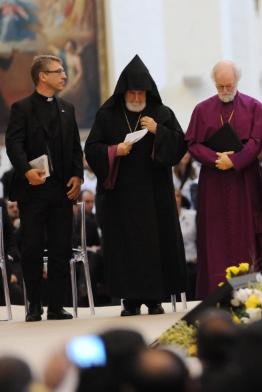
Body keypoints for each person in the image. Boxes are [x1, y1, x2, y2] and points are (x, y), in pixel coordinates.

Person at [85, 55, 187, 316]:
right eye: (132, 92)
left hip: (155, 195)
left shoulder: (161, 114)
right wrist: (114, 150)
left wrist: (158, 131)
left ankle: (155, 300)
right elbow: (92, 148)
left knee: (155, 245)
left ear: (148, 91)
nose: (136, 97)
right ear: (123, 92)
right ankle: (129, 300)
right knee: (124, 248)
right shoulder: (107, 115)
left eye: (141, 92)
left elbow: (180, 145)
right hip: (121, 196)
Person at [5, 54, 83, 322]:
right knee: (33, 247)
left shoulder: (67, 108)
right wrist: (27, 171)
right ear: (42, 76)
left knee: (62, 248)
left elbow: (75, 145)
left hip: (62, 189)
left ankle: (56, 306)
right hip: (34, 189)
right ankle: (34, 305)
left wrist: (78, 176)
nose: (64, 75)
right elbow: (13, 144)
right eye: (58, 71)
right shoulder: (22, 108)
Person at [186, 60, 262, 297]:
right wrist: (216, 158)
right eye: (220, 86)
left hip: (244, 180)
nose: (224, 90)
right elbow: (192, 143)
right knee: (216, 237)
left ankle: (251, 291)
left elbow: (257, 142)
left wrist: (234, 161)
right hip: (213, 182)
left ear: (237, 82)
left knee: (246, 234)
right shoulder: (202, 110)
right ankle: (217, 291)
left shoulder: (253, 106)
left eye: (229, 85)